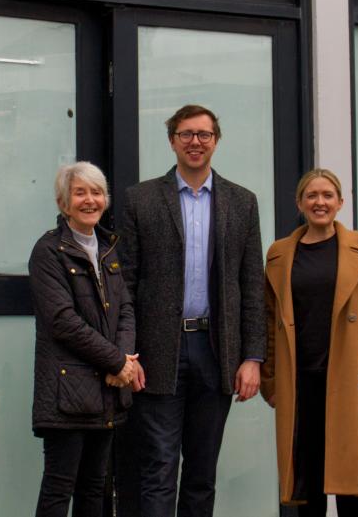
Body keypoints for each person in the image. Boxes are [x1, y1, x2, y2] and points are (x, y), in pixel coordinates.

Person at [119, 104, 266, 517]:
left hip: (216, 351)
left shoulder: (243, 202)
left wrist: (253, 357)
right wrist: (128, 353)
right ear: (172, 141)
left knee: (202, 473)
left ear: (216, 140)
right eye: (186, 134)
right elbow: (126, 282)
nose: (195, 142)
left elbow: (251, 284)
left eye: (203, 134)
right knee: (159, 469)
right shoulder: (141, 200)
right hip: (158, 352)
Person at [261, 169, 358, 516]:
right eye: (312, 196)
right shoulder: (278, 255)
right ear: (300, 203)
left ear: (340, 202)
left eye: (327, 195)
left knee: (350, 480)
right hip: (299, 380)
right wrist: (270, 380)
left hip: (347, 379)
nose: (320, 202)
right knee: (307, 477)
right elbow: (268, 322)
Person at [30, 161, 143, 517]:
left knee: (95, 488)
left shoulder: (109, 249)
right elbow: (63, 321)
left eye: (96, 192)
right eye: (80, 193)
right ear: (64, 203)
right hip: (68, 394)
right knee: (59, 488)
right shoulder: (48, 252)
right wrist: (115, 361)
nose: (89, 200)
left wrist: (123, 362)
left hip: (107, 392)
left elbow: (125, 309)